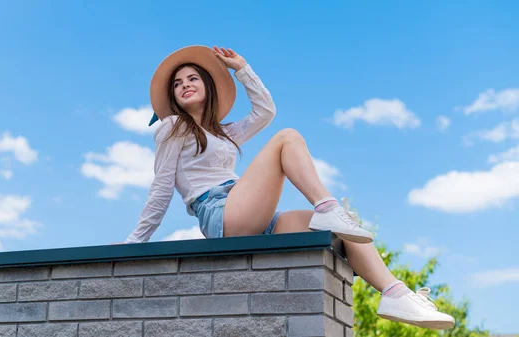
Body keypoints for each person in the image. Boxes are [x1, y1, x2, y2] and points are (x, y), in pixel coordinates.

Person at [121, 45, 455, 330]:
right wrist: (133, 244)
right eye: (178, 83)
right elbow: (161, 189)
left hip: (255, 215)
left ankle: (395, 295)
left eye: (193, 78)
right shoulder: (173, 128)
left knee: (345, 232)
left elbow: (265, 112)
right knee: (287, 139)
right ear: (173, 97)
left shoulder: (225, 133)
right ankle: (328, 207)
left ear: (208, 85)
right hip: (221, 213)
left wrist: (243, 69)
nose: (185, 85)